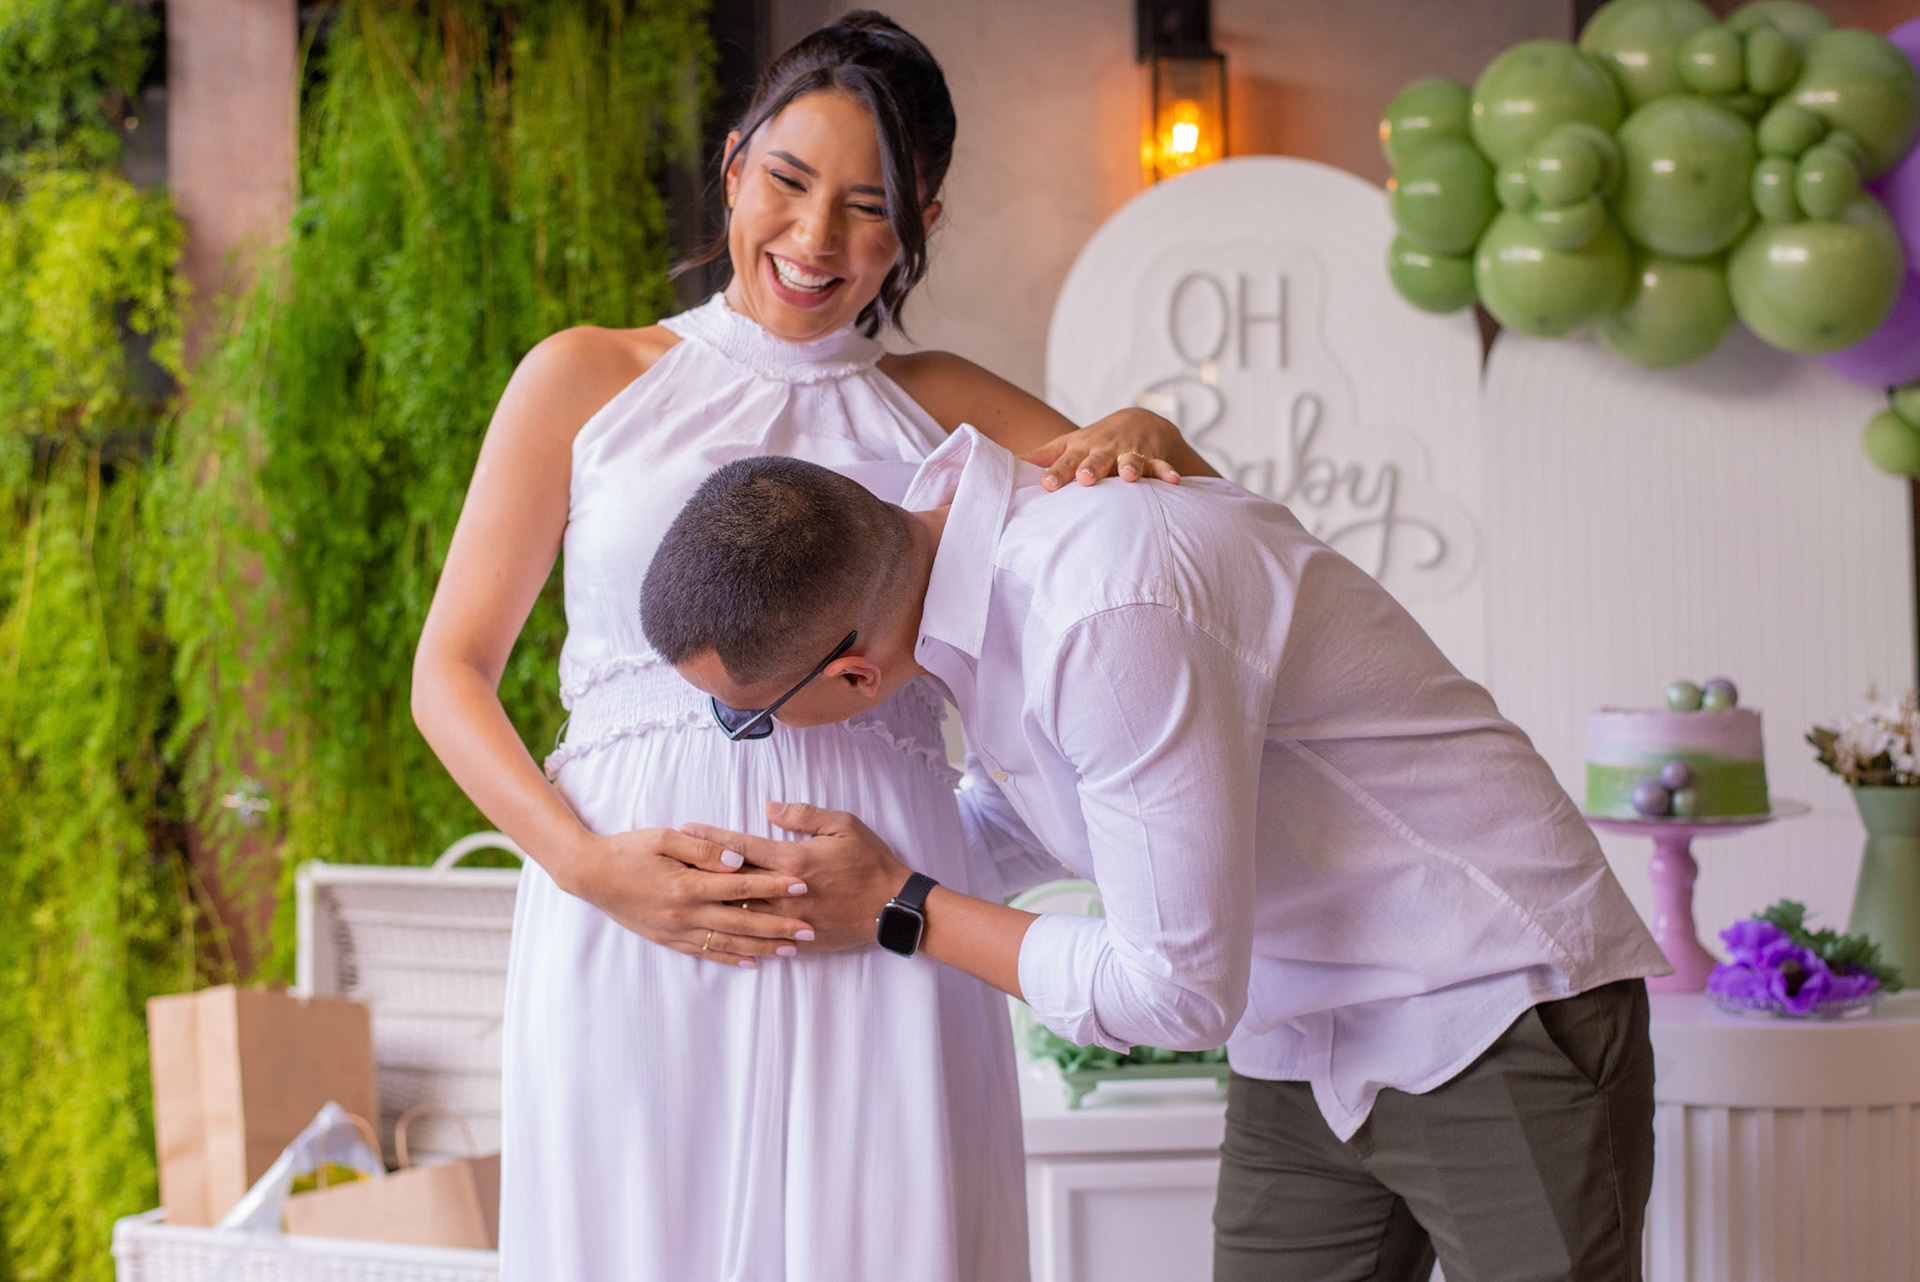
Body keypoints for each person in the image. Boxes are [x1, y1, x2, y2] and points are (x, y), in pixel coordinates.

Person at [410, 14, 1210, 1279]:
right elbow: (448, 671)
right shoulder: (587, 377)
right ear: (734, 167)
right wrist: (585, 865)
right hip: (633, 921)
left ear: (920, 226)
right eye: (787, 181)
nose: (816, 236)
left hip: (882, 925)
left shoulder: (945, 407)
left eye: (867, 207)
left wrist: (1150, 429)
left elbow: (1178, 547)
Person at [643, 427, 1677, 1282]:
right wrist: (822, 891)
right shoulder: (962, 586)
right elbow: (1057, 815)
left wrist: (903, 906)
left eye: (747, 716)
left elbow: (1174, 990)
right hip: (1301, 1033)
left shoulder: (1101, 608)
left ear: (856, 676)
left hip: (1488, 999)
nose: (749, 733)